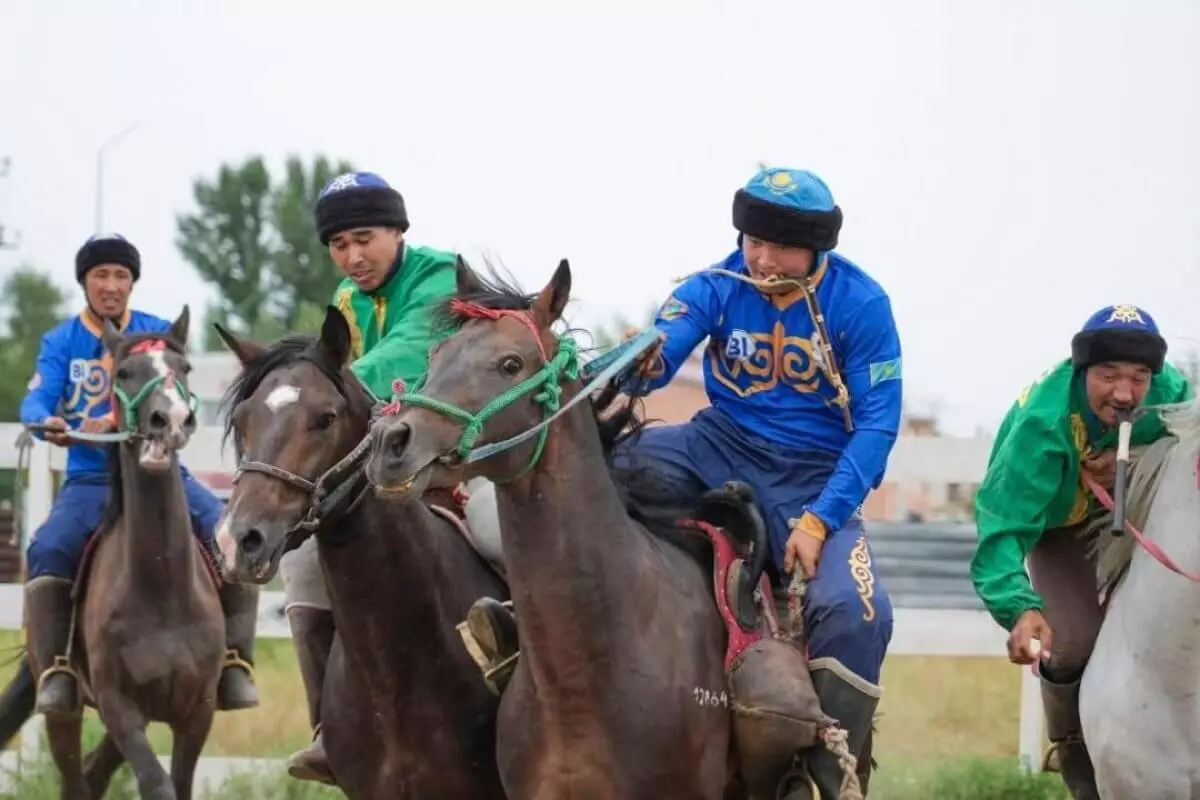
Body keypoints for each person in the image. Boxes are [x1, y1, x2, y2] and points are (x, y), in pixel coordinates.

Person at [462, 166, 904, 797]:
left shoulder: (862, 306)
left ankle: (823, 774)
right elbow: (665, 344)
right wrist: (640, 360)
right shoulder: (716, 283)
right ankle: (521, 626)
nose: (760, 257)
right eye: (752, 240)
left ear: (818, 249)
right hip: (714, 443)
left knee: (859, 613)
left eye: (778, 246)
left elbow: (878, 428)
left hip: (812, 475)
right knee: (583, 475)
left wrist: (820, 519)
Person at [20, 233, 260, 718]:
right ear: (84, 282)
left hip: (162, 474)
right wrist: (51, 424)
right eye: (100, 275)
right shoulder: (61, 341)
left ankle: (235, 660)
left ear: (132, 283)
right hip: (92, 477)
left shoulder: (154, 332)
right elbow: (37, 401)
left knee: (228, 537)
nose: (111, 285)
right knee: (48, 548)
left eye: (121, 276)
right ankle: (57, 670)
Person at [280, 171, 460, 783]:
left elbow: (409, 351)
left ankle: (539, 694)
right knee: (301, 561)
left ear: (397, 231)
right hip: (390, 468)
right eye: (339, 245)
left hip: (466, 459)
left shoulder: (441, 275)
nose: (353, 257)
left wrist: (319, 389)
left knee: (499, 531)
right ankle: (331, 730)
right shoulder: (346, 302)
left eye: (365, 239)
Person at [971, 304, 1193, 798]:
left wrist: (1128, 461)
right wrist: (1019, 607)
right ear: (1082, 371)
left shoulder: (1173, 393)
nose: (1124, 392)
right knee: (1071, 640)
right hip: (1057, 523)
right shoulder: (1041, 424)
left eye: (1138, 377)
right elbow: (1002, 527)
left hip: (1138, 509)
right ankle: (1074, 749)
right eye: (1108, 375)